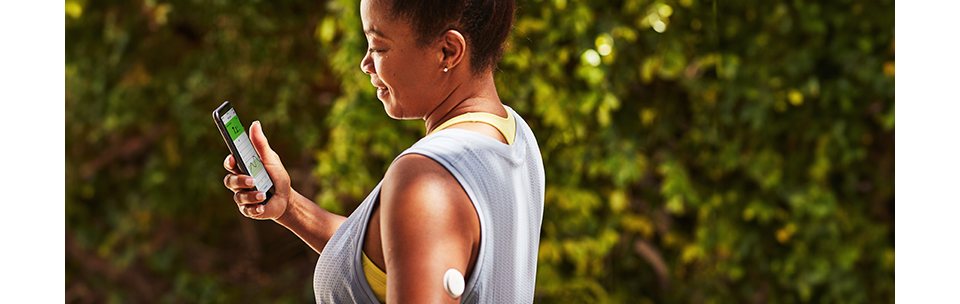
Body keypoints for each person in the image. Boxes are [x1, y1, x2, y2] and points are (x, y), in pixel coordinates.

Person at [221, 0, 544, 302]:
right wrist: (290, 207)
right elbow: (390, 257)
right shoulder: (513, 134)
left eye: (378, 47)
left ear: (448, 50)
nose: (365, 64)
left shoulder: (427, 179)